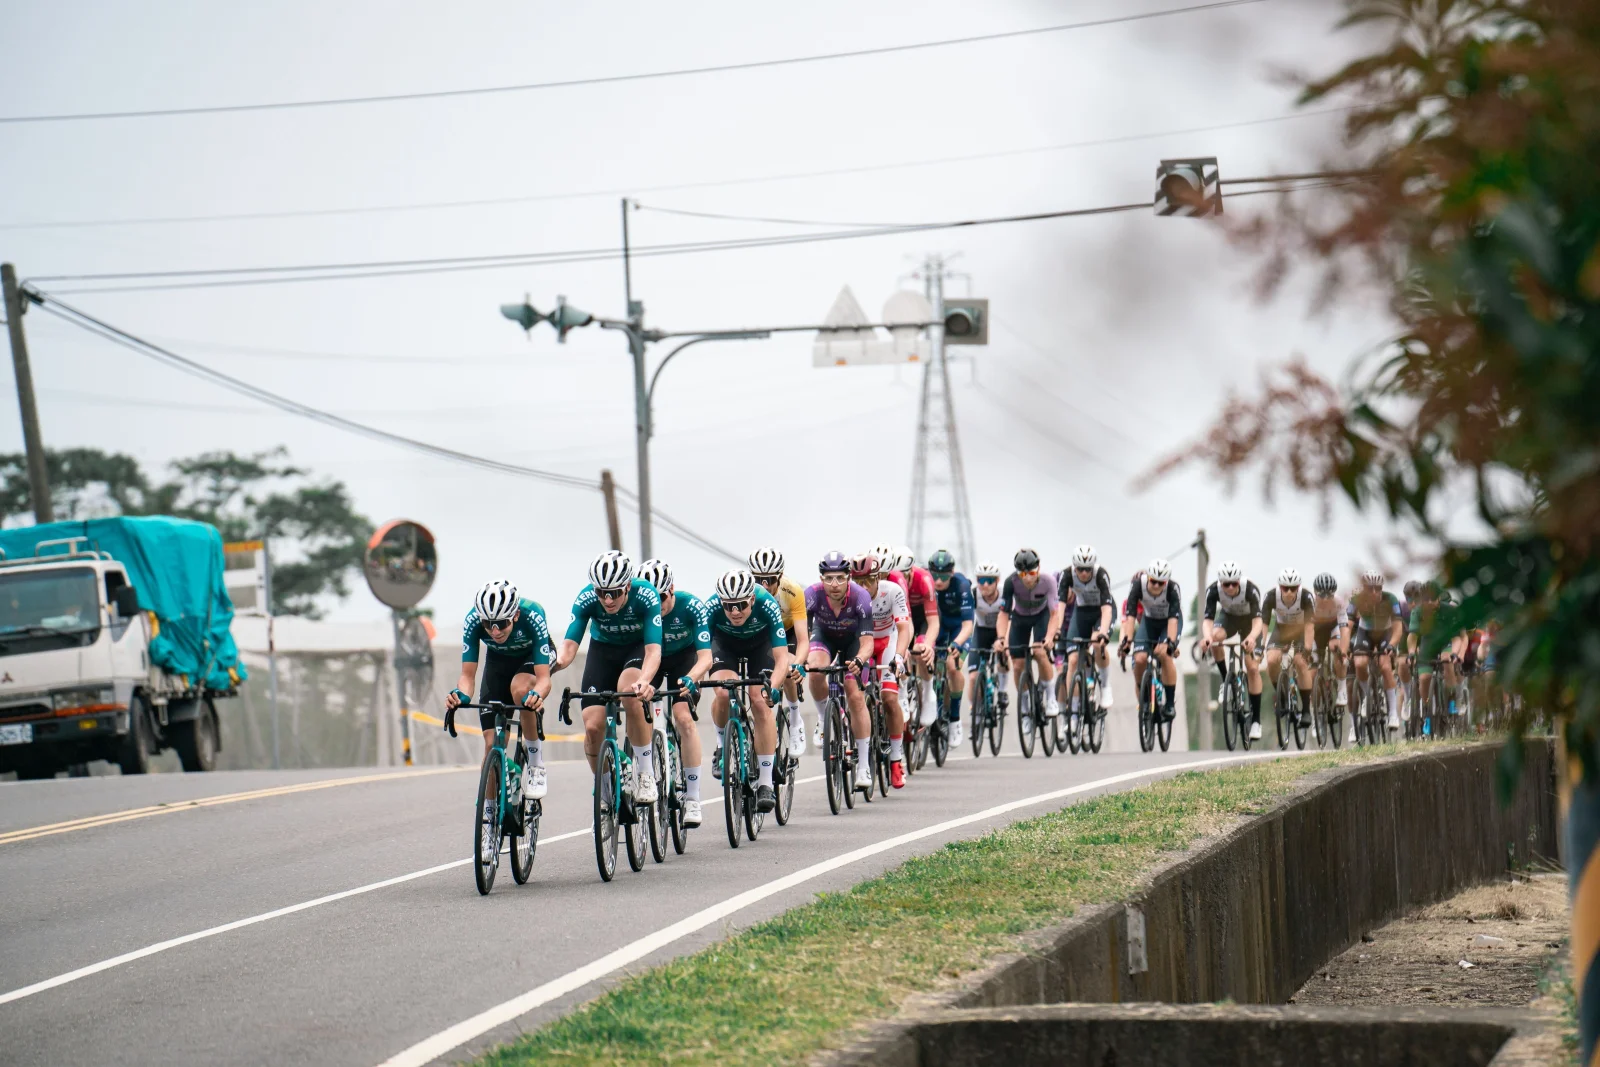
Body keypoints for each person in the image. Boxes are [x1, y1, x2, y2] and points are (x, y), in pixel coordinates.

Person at [553, 551, 663, 805]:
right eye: (602, 593)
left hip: (636, 650)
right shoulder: (586, 598)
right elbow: (569, 648)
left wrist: (645, 680)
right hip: (602, 652)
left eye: (614, 592)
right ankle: (604, 792)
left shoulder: (646, 595)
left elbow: (654, 650)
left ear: (627, 586)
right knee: (592, 727)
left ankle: (645, 773)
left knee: (630, 691)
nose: (608, 599)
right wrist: (554, 665)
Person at [445, 579, 554, 800]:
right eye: (488, 624)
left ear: (514, 615)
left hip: (531, 658)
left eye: (502, 623)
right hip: (498, 663)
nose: (494, 632)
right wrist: (461, 695)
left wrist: (537, 695)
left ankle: (535, 762)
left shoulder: (533, 615)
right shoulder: (472, 621)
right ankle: (489, 812)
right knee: (492, 743)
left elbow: (544, 679)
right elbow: (467, 675)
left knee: (521, 689)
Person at [705, 568, 790, 814]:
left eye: (741, 605)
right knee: (722, 692)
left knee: (759, 701)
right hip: (725, 645)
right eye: (728, 606)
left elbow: (782, 657)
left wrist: (773, 687)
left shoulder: (767, 603)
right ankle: (722, 745)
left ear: (752, 599)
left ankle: (765, 782)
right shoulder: (711, 608)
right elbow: (700, 655)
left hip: (759, 646)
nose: (734, 612)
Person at [636, 559, 713, 828]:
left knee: (682, 717)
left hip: (685, 661)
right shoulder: (639, 609)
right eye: (652, 599)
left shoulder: (690, 606)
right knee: (638, 710)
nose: (658, 603)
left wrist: (693, 678)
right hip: (651, 662)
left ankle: (692, 797)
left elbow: (706, 657)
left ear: (672, 589)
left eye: (663, 597)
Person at [803, 550, 876, 793]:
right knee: (814, 670)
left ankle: (864, 765)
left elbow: (868, 643)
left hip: (854, 642)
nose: (834, 584)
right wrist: (799, 661)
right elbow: (803, 636)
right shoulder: (812, 595)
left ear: (849, 578)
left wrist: (859, 659)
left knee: (854, 693)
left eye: (840, 578)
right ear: (821, 579)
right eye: (829, 578)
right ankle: (825, 720)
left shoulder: (861, 597)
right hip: (825, 638)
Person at [748, 547, 812, 755]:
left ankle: (795, 719)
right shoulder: (746, 594)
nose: (764, 586)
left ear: (780, 576)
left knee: (787, 668)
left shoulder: (792, 592)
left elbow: (803, 639)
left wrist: (798, 663)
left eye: (770, 580)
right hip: (764, 634)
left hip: (788, 632)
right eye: (758, 580)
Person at [857, 550, 913, 790]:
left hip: (888, 642)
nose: (864, 586)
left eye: (869, 580)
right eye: (858, 581)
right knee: (856, 695)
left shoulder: (892, 591)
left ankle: (896, 761)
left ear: (878, 577)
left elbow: (904, 628)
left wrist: (900, 656)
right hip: (864, 644)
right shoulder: (850, 595)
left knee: (890, 698)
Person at [1200, 561, 1266, 741]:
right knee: (1214, 637)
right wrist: (1207, 638)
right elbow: (1208, 620)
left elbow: (1258, 622)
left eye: (1233, 584)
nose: (1229, 588)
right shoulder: (1213, 591)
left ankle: (1256, 722)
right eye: (1225, 584)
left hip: (1250, 624)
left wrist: (1252, 638)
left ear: (1239, 581)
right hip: (1229, 619)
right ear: (1220, 583)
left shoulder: (1250, 589)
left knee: (1252, 667)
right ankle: (1226, 682)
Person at [995, 548, 1063, 719]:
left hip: (1042, 616)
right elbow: (1004, 613)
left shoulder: (1048, 582)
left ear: (1038, 569)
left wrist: (1049, 637)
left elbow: (1055, 614)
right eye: (1022, 574)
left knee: (1040, 651)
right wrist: (1002, 638)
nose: (1027, 578)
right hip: (1020, 618)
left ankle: (1051, 696)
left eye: (1031, 573)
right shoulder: (1011, 582)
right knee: (1017, 664)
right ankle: (1025, 709)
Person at [1118, 559, 1182, 721]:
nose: (1156, 586)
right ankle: (1144, 697)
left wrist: (1171, 643)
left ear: (1166, 582)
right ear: (1148, 578)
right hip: (1149, 621)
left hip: (1168, 622)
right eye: (1153, 582)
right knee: (1139, 659)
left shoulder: (1173, 589)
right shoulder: (1138, 585)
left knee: (1163, 653)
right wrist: (1127, 641)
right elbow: (1130, 616)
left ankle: (1169, 704)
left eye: (1161, 583)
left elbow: (1173, 621)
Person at [883, 543, 939, 725]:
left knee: (920, 650)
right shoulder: (892, 581)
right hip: (901, 616)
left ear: (912, 570)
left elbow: (933, 622)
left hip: (921, 616)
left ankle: (929, 691)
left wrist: (928, 645)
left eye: (906, 574)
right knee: (899, 650)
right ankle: (904, 687)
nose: (902, 578)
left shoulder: (924, 579)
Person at [1059, 545, 1116, 712]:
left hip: (1101, 611)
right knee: (1073, 660)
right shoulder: (1067, 575)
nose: (1084, 573)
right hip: (1082, 611)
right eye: (1080, 569)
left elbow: (1106, 609)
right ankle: (1074, 711)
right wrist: (1056, 630)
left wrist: (1103, 633)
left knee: (1097, 643)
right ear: (1074, 567)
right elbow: (1060, 607)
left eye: (1087, 569)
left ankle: (1105, 686)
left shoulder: (1101, 575)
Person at [927, 548, 974, 748]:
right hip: (938, 625)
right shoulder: (927, 584)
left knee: (952, 666)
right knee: (929, 664)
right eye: (935, 576)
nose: (938, 581)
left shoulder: (962, 586)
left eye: (943, 576)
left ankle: (954, 719)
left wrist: (956, 644)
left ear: (952, 573)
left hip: (959, 628)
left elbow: (968, 626)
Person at [1348, 568, 1404, 732]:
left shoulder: (1390, 599)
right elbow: (1348, 626)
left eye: (1378, 588)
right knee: (1359, 663)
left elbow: (1398, 627)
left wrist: (1392, 645)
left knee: (1385, 666)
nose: (1374, 592)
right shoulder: (1356, 600)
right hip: (1365, 632)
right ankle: (1366, 697)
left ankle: (1393, 713)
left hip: (1385, 633)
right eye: (1369, 588)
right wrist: (1344, 649)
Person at [1262, 567, 1315, 724]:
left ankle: (1306, 710)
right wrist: (1260, 646)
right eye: (1285, 588)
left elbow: (1310, 626)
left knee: (1300, 662)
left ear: (1298, 587)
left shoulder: (1306, 597)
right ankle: (1282, 696)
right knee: (1271, 660)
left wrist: (1307, 647)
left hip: (1300, 631)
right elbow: (1264, 624)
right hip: (1281, 630)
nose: (1289, 592)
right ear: (1280, 587)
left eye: (1293, 588)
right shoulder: (1271, 596)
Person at [965, 560, 1009, 722]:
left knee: (1004, 656)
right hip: (981, 632)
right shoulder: (973, 594)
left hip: (1000, 631)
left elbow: (1009, 621)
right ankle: (976, 711)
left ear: (997, 581)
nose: (985, 585)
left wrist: (1003, 641)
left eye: (989, 581)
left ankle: (1003, 690)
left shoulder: (1004, 594)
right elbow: (967, 619)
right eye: (981, 580)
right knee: (973, 677)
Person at [1311, 572, 1351, 713]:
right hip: (1315, 631)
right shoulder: (1309, 602)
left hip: (1333, 628)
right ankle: (1315, 711)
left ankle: (1341, 688)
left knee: (1336, 648)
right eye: (1322, 595)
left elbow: (1345, 629)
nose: (1326, 599)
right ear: (1315, 593)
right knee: (1312, 670)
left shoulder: (1339, 602)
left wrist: (1344, 652)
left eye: (1329, 595)